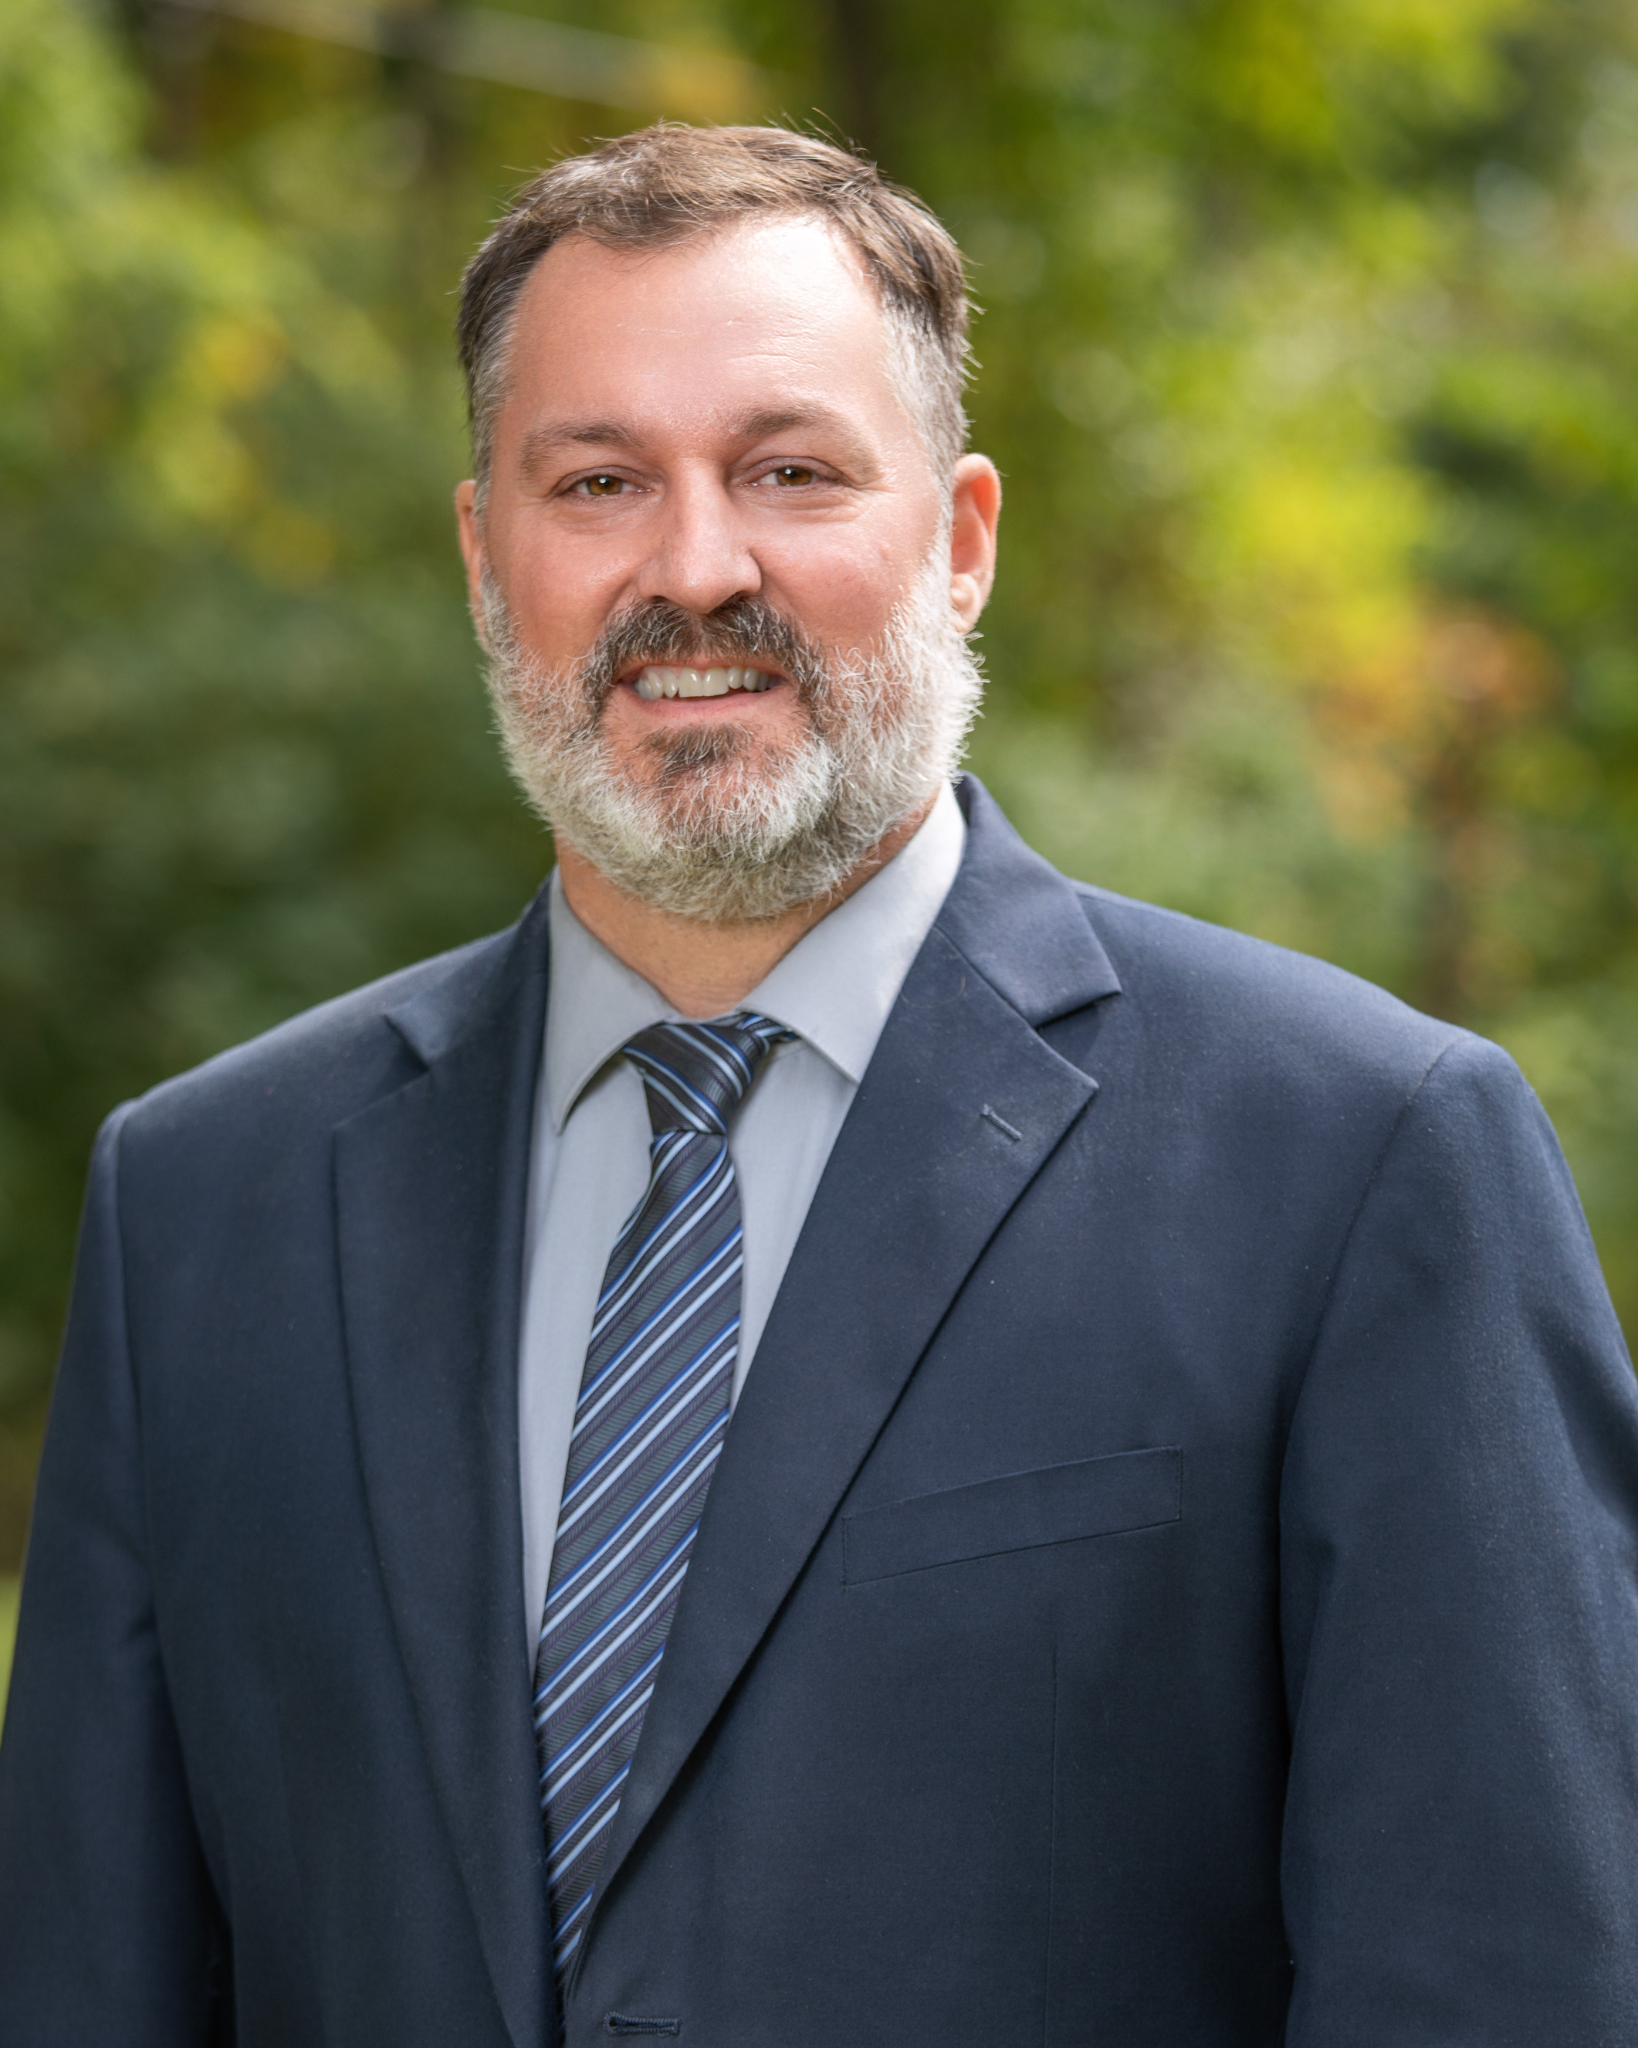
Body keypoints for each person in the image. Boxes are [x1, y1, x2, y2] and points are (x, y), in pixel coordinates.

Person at [1, 123, 1635, 2048]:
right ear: (483, 552)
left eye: (788, 470)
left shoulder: (1364, 1161)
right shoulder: (207, 1203)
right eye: (596, 481)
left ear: (959, 540)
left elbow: (1503, 1985)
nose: (694, 568)